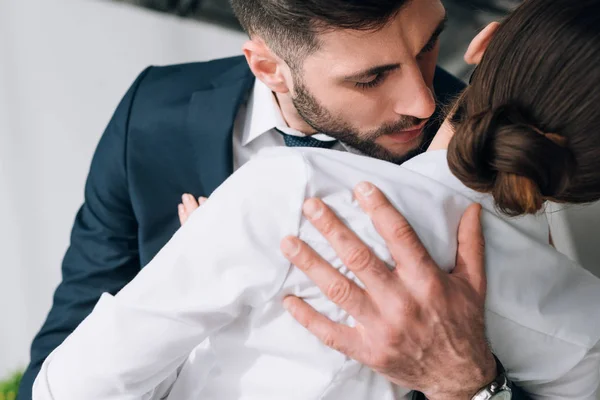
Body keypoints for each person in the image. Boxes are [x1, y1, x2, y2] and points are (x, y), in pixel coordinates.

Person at [31, 0, 600, 398]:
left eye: (431, 46)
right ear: (268, 67)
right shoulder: (151, 116)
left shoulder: (279, 191)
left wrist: (472, 386)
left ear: (481, 40)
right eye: (370, 77)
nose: (425, 102)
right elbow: (64, 338)